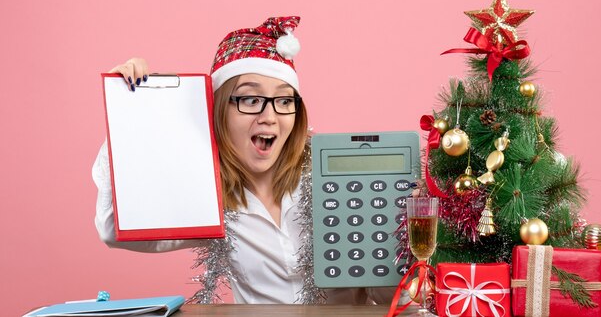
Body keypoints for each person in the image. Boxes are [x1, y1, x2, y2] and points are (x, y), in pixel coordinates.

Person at [93, 16, 394, 305]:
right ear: (220, 110)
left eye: (285, 101)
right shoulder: (211, 199)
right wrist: (133, 110)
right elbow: (113, 228)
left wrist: (398, 231)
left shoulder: (334, 180)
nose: (270, 117)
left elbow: (392, 298)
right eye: (250, 100)